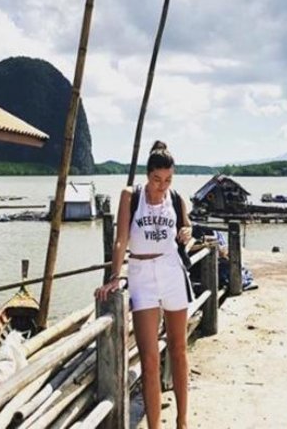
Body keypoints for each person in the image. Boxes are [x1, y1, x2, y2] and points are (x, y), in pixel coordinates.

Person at [95, 141, 192, 429]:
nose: (162, 186)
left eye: (168, 179)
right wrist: (115, 276)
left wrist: (187, 231)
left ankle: (182, 422)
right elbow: (121, 240)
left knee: (179, 349)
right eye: (157, 179)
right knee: (149, 360)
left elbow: (186, 227)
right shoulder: (131, 196)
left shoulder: (176, 198)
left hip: (171, 271)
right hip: (141, 275)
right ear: (147, 175)